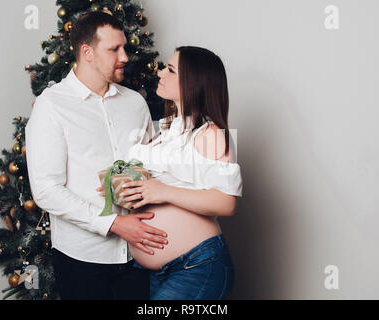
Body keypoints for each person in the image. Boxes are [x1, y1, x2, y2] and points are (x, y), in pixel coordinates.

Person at [25, 12, 168, 300]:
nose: (125, 57)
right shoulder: (51, 106)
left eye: (124, 47)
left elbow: (151, 168)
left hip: (140, 256)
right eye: (114, 49)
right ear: (87, 53)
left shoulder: (135, 102)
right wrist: (114, 224)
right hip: (82, 260)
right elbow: (46, 190)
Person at [97, 46, 243, 299]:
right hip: (160, 270)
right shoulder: (168, 130)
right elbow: (161, 181)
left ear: (193, 81)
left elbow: (226, 202)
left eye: (171, 70)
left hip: (196, 266)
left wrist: (161, 192)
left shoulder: (209, 134)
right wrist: (122, 186)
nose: (161, 73)